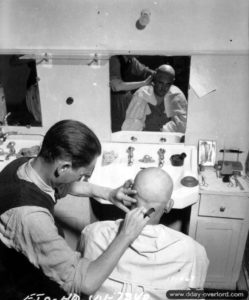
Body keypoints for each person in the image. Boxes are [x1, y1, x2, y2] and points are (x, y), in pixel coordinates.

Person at [0, 119, 150, 300]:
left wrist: (108, 194)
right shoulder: (31, 217)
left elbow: (64, 185)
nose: (83, 180)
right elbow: (85, 283)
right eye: (83, 175)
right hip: (21, 285)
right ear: (63, 167)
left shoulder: (27, 165)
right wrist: (127, 234)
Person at [81, 167, 209, 300]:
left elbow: (80, 288)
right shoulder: (193, 252)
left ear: (129, 196)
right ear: (169, 205)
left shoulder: (92, 233)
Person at [122, 64, 187, 133]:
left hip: (166, 140)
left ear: (172, 82)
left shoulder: (177, 96)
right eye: (160, 83)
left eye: (167, 84)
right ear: (155, 80)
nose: (163, 88)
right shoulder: (142, 94)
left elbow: (182, 128)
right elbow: (130, 128)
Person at [110, 55, 155, 132]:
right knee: (119, 129)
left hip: (126, 99)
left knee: (131, 125)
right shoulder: (114, 60)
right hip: (114, 101)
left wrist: (159, 73)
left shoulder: (131, 60)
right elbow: (117, 86)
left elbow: (144, 71)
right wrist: (144, 83)